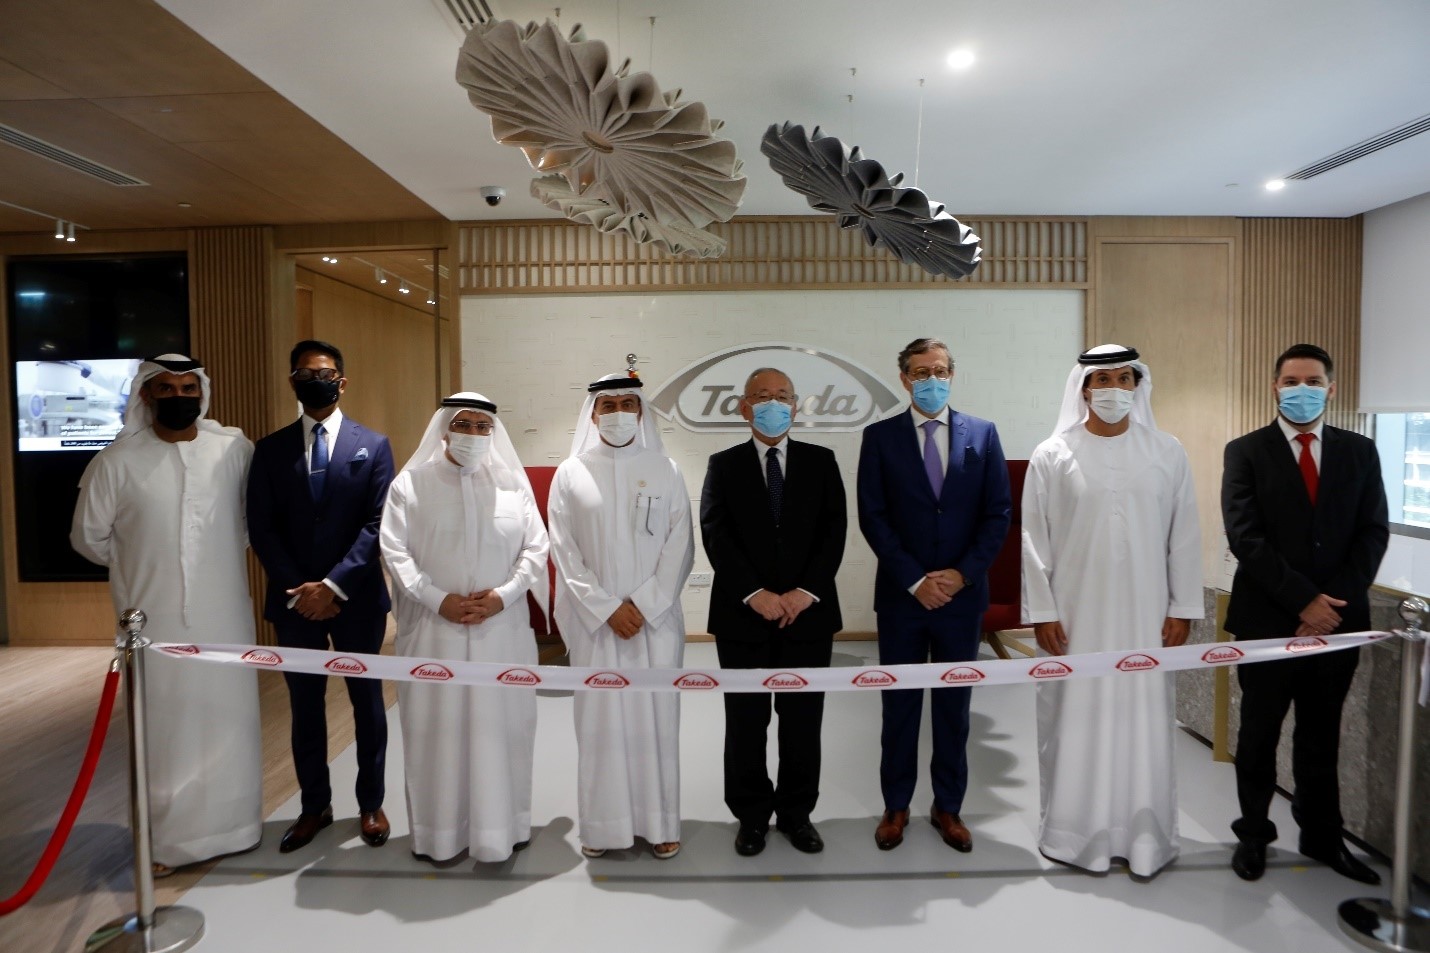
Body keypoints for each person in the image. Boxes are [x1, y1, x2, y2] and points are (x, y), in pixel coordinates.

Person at [70, 354, 262, 875]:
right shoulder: (117, 460)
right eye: (167, 388)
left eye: (188, 387)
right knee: (164, 731)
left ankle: (237, 829)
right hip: (151, 625)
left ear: (201, 391)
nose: (179, 397)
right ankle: (168, 845)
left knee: (229, 723)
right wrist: (143, 560)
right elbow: (88, 538)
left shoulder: (233, 449)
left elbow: (249, 522)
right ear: (147, 395)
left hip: (226, 617)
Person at [1021, 344, 1203, 878]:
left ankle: (1145, 837)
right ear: (1083, 389)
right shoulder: (1052, 454)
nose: (1114, 390)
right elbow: (1035, 542)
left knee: (1143, 719)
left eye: (1125, 379)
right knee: (1075, 720)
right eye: (1103, 381)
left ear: (1138, 385)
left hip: (1148, 619)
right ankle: (1074, 835)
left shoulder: (1168, 451)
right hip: (1075, 621)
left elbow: (1184, 536)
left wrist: (1183, 605)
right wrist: (1043, 611)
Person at [1222, 343, 1388, 885]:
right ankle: (1252, 835)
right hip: (1268, 622)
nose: (1302, 390)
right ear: (1275, 387)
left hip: (1338, 625)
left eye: (1313, 381)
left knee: (1322, 734)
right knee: (1258, 734)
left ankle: (1322, 836)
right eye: (1291, 381)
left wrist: (1329, 607)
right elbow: (1246, 537)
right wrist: (1303, 602)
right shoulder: (1245, 451)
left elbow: (1372, 533)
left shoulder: (1361, 452)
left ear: (1331, 389)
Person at [856, 337, 1011, 852]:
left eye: (940, 370)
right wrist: (916, 580)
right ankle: (895, 806)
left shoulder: (983, 435)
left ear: (952, 374)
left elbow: (998, 515)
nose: (932, 379)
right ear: (904, 378)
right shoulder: (879, 438)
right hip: (903, 600)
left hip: (961, 601)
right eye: (921, 372)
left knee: (953, 709)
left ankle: (949, 807)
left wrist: (961, 576)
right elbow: (873, 516)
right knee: (898, 709)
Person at [380, 393, 549, 863]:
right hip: (435, 633)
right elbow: (395, 553)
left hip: (503, 632)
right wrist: (440, 600)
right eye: (463, 424)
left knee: (504, 731)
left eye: (482, 426)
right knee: (438, 733)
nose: (473, 434)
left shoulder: (513, 487)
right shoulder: (410, 485)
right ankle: (439, 835)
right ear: (443, 429)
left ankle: (504, 829)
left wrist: (503, 596)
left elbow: (536, 549)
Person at [247, 340, 395, 853]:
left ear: (342, 381)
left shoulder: (373, 445)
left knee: (367, 703)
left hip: (356, 599)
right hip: (294, 603)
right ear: (293, 381)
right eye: (306, 373)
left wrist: (333, 586)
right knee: (304, 705)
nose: (317, 380)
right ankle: (315, 807)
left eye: (326, 372)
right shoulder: (269, 450)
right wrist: (301, 590)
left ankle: (371, 803)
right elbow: (261, 529)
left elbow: (378, 525)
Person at [700, 367, 847, 856]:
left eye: (782, 396)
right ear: (744, 407)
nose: (773, 404)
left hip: (809, 615)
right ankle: (751, 816)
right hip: (743, 617)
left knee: (803, 720)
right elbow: (716, 534)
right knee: (746, 721)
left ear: (796, 406)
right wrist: (753, 592)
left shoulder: (822, 462)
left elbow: (834, 533)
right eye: (762, 396)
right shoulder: (723, 465)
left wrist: (806, 590)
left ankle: (797, 814)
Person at [548, 372, 694, 860]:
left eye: (625, 403)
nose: (616, 413)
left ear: (640, 410)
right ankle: (602, 826)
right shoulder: (570, 473)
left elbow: (680, 547)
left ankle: (661, 823)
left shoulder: (666, 469)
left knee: (656, 724)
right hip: (598, 625)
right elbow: (564, 551)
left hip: (653, 625)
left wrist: (645, 606)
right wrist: (608, 608)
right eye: (606, 405)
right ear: (592, 414)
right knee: (600, 726)